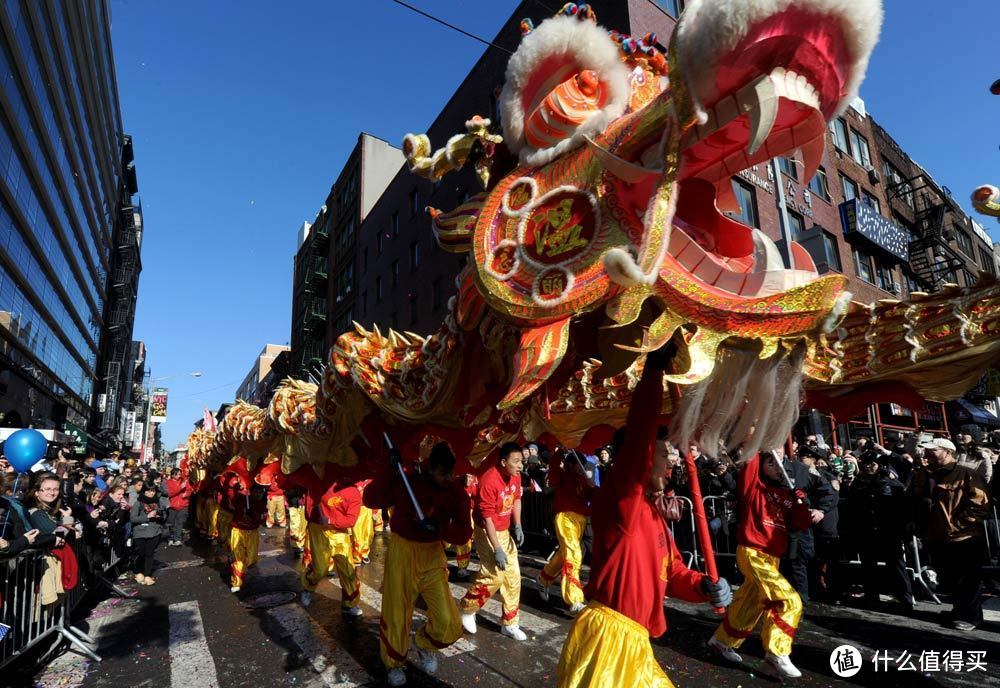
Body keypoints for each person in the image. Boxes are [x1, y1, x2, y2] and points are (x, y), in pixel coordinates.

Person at [557, 343, 731, 688]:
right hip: (607, 640)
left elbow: (674, 571)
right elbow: (638, 436)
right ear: (642, 458)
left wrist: (704, 586)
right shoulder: (623, 502)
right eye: (664, 454)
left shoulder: (656, 513)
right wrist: (655, 370)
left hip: (636, 645)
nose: (673, 461)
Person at [364, 441, 473, 686]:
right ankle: (393, 663)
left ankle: (424, 644)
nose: (447, 478)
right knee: (397, 612)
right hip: (403, 550)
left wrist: (442, 528)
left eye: (450, 473)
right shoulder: (407, 480)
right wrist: (388, 471)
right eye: (442, 473)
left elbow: (464, 532)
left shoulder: (456, 492)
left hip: (433, 553)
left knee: (448, 621)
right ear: (430, 468)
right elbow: (370, 499)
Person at [709, 450, 813, 678]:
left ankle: (721, 641)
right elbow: (751, 461)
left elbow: (802, 523)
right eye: (770, 462)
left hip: (772, 558)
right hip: (752, 553)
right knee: (788, 600)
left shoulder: (787, 495)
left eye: (779, 464)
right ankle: (777, 651)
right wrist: (759, 435)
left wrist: (800, 502)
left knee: (750, 603)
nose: (777, 467)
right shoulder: (753, 488)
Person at [913, 438, 990, 630]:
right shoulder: (926, 474)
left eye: (933, 451)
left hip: (964, 537)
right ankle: (959, 611)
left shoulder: (966, 474)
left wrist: (957, 525)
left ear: (948, 452)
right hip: (937, 536)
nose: (927, 456)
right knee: (950, 578)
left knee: (968, 580)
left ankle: (971, 617)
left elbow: (980, 506)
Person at [460, 442, 528, 641]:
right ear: (503, 462)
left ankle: (510, 623)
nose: (520, 465)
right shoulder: (489, 481)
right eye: (516, 462)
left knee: (513, 576)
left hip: (504, 530)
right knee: (494, 575)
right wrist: (497, 548)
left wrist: (518, 525)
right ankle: (467, 608)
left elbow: (516, 499)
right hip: (486, 531)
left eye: (521, 461)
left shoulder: (516, 476)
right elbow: (487, 518)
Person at [295, 467, 363, 617]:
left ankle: (350, 603)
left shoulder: (353, 492)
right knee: (320, 569)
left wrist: (331, 520)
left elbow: (350, 520)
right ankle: (308, 586)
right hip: (318, 530)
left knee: (348, 571)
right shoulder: (318, 478)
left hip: (339, 533)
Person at [538, 448, 592, 615]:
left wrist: (592, 487)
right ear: (569, 464)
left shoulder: (584, 480)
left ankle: (544, 577)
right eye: (576, 464)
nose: (579, 467)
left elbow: (595, 497)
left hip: (580, 521)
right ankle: (574, 599)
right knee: (574, 554)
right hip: (565, 518)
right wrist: (561, 449)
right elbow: (554, 465)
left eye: (581, 465)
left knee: (564, 554)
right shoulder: (561, 475)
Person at [229, 480, 267, 593]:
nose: (258, 494)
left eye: (261, 492)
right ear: (251, 491)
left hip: (252, 534)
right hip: (238, 532)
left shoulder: (262, 506)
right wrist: (238, 486)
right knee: (239, 558)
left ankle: (241, 569)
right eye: (256, 492)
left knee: (251, 559)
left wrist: (255, 516)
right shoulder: (241, 499)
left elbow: (263, 521)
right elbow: (231, 496)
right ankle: (236, 581)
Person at [131, 482, 165, 585]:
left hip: (154, 531)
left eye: (153, 491)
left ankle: (147, 575)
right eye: (148, 491)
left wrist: (160, 517)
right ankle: (138, 571)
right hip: (140, 533)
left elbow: (163, 515)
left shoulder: (158, 502)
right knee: (141, 553)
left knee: (149, 554)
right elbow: (133, 518)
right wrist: (147, 517)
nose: (151, 493)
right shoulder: (138, 503)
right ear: (144, 491)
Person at [448, 473, 477, 580]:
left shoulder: (474, 484)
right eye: (466, 477)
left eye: (470, 477)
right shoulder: (455, 484)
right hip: (457, 514)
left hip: (471, 513)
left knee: (470, 540)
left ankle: (463, 567)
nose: (468, 480)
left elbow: (477, 497)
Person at [166, 468, 192, 546]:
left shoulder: (184, 481)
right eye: (177, 474)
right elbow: (170, 493)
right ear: (173, 475)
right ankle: (171, 537)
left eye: (180, 474)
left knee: (179, 522)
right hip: (172, 505)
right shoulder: (168, 482)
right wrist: (180, 487)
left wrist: (186, 494)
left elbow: (190, 490)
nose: (179, 476)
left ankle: (177, 539)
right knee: (171, 523)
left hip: (183, 505)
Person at [351, 479, 374, 565]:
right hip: (356, 509)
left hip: (367, 509)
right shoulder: (354, 480)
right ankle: (357, 556)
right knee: (358, 533)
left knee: (368, 532)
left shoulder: (371, 480)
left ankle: (365, 553)